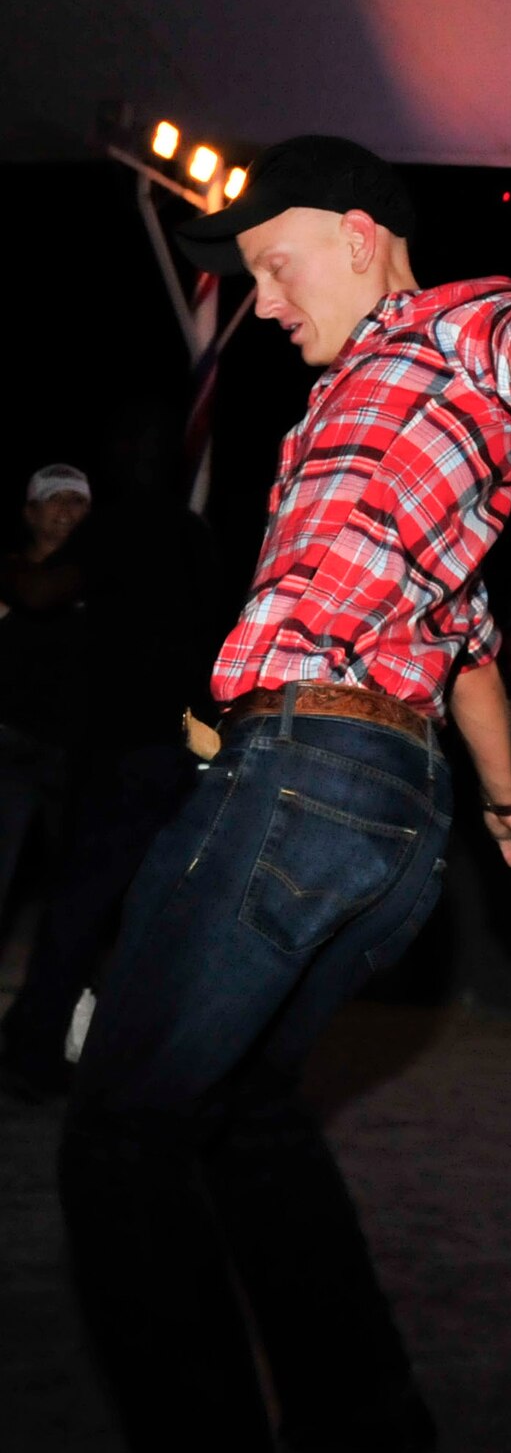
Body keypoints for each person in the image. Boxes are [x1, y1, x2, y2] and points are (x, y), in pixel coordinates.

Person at [57, 137, 511, 1453]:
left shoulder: (457, 321)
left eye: (272, 264)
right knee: (244, 1118)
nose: (257, 301)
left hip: (307, 781)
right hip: (386, 804)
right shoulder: (344, 407)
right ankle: (362, 1407)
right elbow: (454, 629)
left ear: (364, 236)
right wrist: (505, 797)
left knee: (120, 1141)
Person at [0, 418, 228, 1101]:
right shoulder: (192, 533)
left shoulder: (115, 529)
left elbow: (42, 593)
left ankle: (37, 1052)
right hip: (172, 746)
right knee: (135, 910)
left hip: (118, 749)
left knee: (80, 906)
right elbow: (223, 628)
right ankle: (96, 1052)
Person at [0, 464, 92, 928]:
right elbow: (34, 596)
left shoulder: (101, 580)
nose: (66, 510)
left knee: (72, 882)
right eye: (55, 498)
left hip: (74, 753)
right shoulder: (10, 570)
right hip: (10, 744)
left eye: (77, 501)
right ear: (30, 512)